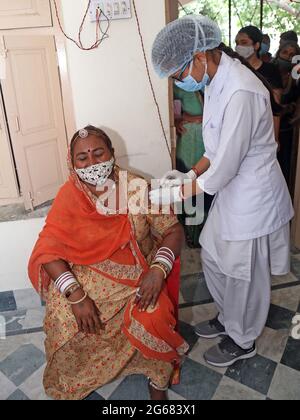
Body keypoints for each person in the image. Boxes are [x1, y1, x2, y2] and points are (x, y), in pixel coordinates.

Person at [150, 15, 294, 368]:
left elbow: (226, 166)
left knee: (243, 271)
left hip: (252, 195)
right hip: (232, 189)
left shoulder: (241, 91)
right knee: (213, 254)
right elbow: (215, 150)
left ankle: (243, 338)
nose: (179, 81)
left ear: (199, 56)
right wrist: (185, 175)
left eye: (178, 74)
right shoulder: (215, 81)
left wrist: (177, 194)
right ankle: (229, 317)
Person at [28, 125, 188, 400]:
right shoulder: (70, 197)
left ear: (112, 154)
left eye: (98, 153)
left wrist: (158, 270)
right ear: (72, 162)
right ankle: (74, 381)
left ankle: (157, 376)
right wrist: (76, 296)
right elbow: (48, 250)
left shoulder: (137, 188)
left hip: (140, 278)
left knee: (155, 315)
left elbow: (173, 230)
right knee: (62, 317)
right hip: (86, 281)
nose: (92, 163)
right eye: (83, 158)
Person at [173, 85, 212, 247]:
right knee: (190, 193)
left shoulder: (215, 82)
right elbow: (172, 113)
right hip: (189, 147)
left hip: (211, 148)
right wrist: (182, 118)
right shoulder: (178, 85)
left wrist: (201, 118)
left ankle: (208, 234)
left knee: (209, 190)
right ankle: (192, 237)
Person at [274, 41, 300, 189]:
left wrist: (290, 108)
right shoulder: (271, 73)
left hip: (288, 131)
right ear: (279, 53)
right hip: (269, 131)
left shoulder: (296, 79)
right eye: (285, 53)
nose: (288, 58)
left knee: (285, 167)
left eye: (292, 55)